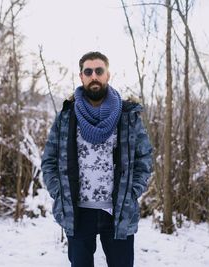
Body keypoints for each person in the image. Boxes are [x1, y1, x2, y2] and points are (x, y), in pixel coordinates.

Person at [41, 51, 153, 267]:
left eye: (99, 71)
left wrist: (132, 191)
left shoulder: (127, 116)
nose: (94, 76)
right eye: (88, 71)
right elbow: (49, 160)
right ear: (81, 76)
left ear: (107, 75)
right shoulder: (67, 116)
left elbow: (144, 157)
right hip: (78, 212)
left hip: (118, 211)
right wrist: (59, 192)